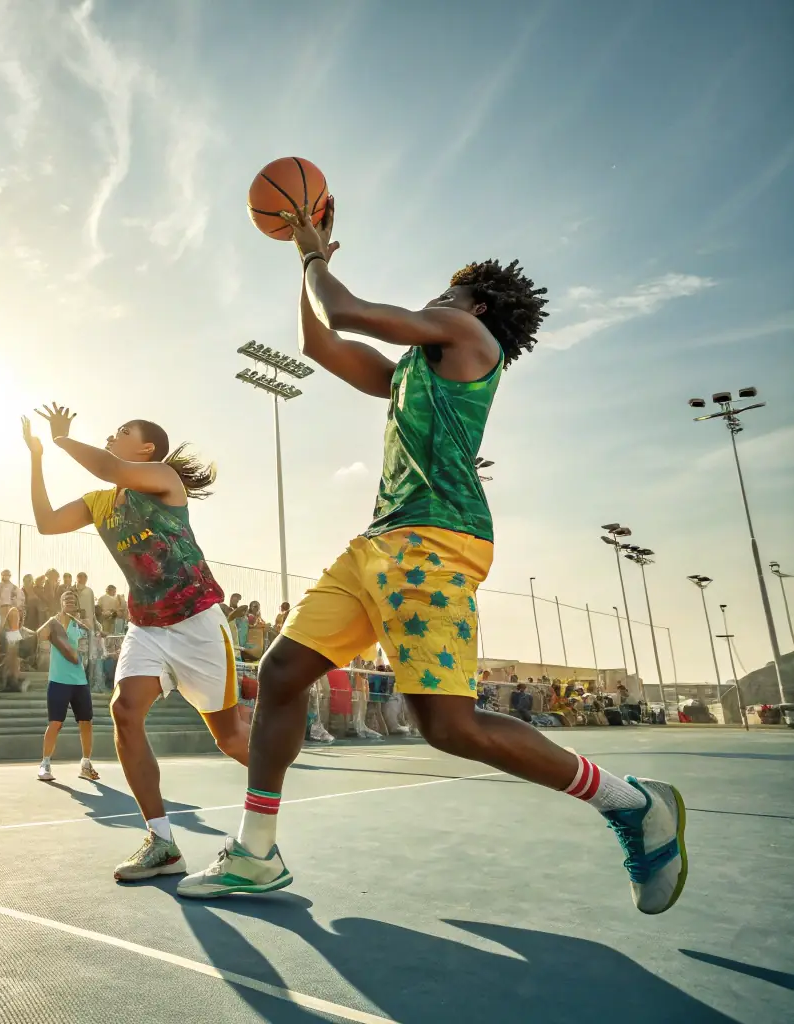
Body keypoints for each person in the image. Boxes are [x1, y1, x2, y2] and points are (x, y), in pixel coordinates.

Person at [179, 200, 685, 918]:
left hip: (433, 543)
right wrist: (306, 265)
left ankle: (631, 803)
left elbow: (346, 311)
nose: (432, 301)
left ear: (472, 304)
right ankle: (255, 853)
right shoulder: (413, 370)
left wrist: (311, 253)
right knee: (282, 672)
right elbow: (324, 342)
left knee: (449, 728)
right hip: (378, 542)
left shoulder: (465, 332)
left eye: (443, 292)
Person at [23, 404, 248, 882]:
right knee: (125, 711)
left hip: (196, 620)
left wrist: (64, 440)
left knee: (231, 739)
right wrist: (38, 456)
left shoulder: (164, 479)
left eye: (122, 431)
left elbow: (108, 466)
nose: (112, 435)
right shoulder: (100, 503)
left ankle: (272, 787)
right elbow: (46, 522)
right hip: (146, 625)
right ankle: (163, 842)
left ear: (146, 449)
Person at [35, 591, 99, 783]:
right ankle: (45, 764)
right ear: (61, 604)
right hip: (58, 680)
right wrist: (52, 620)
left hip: (80, 681)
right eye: (66, 600)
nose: (69, 602)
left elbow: (89, 649)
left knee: (86, 723)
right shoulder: (55, 624)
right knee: (55, 723)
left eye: (73, 600)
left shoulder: (82, 625)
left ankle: (86, 764)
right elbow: (40, 635)